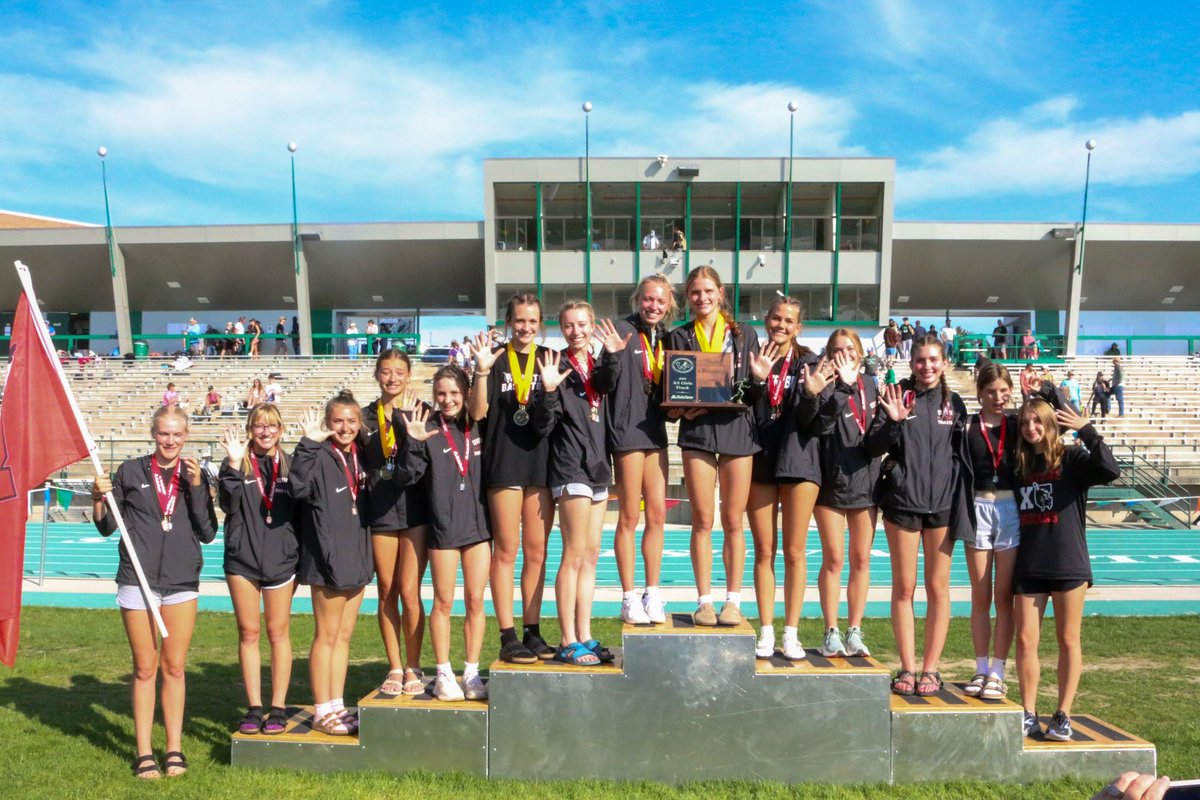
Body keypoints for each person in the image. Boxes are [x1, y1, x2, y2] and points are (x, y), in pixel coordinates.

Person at [91, 405, 217, 779]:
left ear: (187, 435)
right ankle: (144, 751)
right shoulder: (130, 471)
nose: (171, 441)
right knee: (145, 667)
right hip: (138, 580)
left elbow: (208, 532)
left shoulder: (193, 474)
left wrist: (197, 489)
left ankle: (174, 749)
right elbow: (105, 526)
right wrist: (99, 496)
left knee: (174, 667)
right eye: (164, 433)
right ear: (153, 434)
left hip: (181, 581)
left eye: (177, 434)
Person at [1013, 400, 1119, 741]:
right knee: (1027, 640)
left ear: (1051, 423)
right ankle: (1028, 713)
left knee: (1068, 638)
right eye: (1026, 422)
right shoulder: (1020, 465)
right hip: (1029, 563)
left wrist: (1086, 429)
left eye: (1038, 421)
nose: (1032, 428)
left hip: (1068, 563)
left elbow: (1110, 469)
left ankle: (1063, 714)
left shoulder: (1072, 459)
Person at [872, 335, 967, 697]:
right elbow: (874, 444)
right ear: (910, 363)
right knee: (904, 587)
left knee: (938, 589)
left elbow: (961, 455)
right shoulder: (897, 396)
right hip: (903, 503)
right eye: (920, 360)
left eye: (933, 360)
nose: (926, 366)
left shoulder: (953, 403)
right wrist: (894, 421)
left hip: (941, 506)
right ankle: (908, 667)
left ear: (943, 363)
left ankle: (931, 668)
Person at [667, 266, 760, 626]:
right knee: (702, 520)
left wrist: (759, 380)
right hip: (698, 432)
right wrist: (678, 407)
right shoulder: (679, 337)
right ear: (687, 297)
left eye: (708, 291)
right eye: (695, 292)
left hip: (737, 431)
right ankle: (704, 601)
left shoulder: (744, 334)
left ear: (721, 292)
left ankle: (733, 601)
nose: (702, 298)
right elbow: (673, 394)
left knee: (733, 520)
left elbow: (754, 389)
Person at [535, 305, 626, 665]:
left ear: (592, 327)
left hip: (599, 465)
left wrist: (614, 356)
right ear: (561, 329)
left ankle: (585, 634)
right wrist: (549, 391)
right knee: (573, 555)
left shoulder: (598, 365)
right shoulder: (556, 365)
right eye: (569, 326)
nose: (576, 331)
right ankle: (567, 638)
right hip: (570, 466)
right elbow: (543, 425)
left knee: (590, 556)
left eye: (583, 325)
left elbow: (607, 383)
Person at [467, 293, 555, 663]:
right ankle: (507, 634)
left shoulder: (550, 359)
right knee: (507, 550)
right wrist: (482, 371)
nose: (526, 327)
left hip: (540, 464)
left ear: (540, 324)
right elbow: (477, 412)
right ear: (509, 322)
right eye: (520, 320)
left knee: (537, 552)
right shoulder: (496, 359)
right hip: (503, 462)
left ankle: (532, 631)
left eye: (532, 321)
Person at [402, 366, 490, 700]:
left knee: (475, 600)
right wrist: (413, 443)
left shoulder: (478, 424)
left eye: (454, 393)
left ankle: (471, 671)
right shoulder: (426, 428)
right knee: (443, 601)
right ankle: (442, 673)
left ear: (466, 393)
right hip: (443, 528)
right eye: (441, 393)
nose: (447, 400)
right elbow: (408, 477)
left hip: (478, 528)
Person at [291, 394, 373, 735]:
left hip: (355, 552)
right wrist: (307, 444)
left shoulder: (360, 455)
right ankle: (322, 708)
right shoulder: (320, 454)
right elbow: (297, 487)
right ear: (328, 423)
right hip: (326, 556)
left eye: (351, 420)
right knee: (326, 635)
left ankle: (337, 704)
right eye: (338, 421)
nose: (345, 427)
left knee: (343, 636)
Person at [748, 295, 823, 658]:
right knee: (764, 550)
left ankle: (790, 632)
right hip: (760, 459)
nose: (780, 325)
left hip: (799, 462)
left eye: (788, 321)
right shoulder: (752, 356)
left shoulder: (810, 363)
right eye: (776, 318)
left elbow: (815, 420)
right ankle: (765, 630)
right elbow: (745, 407)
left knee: (794, 552)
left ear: (798, 327)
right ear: (766, 319)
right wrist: (758, 381)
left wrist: (810, 394)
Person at [218, 405, 298, 737]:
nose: (266, 432)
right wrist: (235, 466)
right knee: (249, 633)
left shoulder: (292, 463)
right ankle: (254, 706)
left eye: (272, 426)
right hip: (243, 561)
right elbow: (227, 503)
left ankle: (278, 707)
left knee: (278, 634)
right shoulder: (235, 461)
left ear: (281, 429)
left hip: (281, 560)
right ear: (250, 429)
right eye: (259, 426)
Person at [606, 274, 675, 624]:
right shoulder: (621, 330)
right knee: (630, 516)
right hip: (627, 432)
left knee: (658, 515)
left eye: (661, 301)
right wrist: (612, 356)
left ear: (668, 305)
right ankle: (629, 596)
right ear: (638, 299)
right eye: (649, 299)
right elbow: (607, 379)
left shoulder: (668, 337)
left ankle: (653, 591)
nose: (654, 306)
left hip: (656, 433)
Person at [362, 349, 429, 697]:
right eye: (386, 372)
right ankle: (394, 665)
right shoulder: (362, 418)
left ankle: (414, 664)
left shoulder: (422, 412)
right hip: (382, 512)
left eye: (399, 372)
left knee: (410, 591)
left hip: (416, 512)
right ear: (377, 375)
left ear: (409, 375)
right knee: (386, 590)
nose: (392, 378)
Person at [952, 362, 1021, 701]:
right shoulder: (966, 426)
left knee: (1003, 597)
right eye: (991, 391)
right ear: (979, 393)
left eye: (1004, 391)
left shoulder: (1020, 425)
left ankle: (999, 670)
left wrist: (1043, 391)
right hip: (976, 508)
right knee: (980, 596)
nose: (998, 397)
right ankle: (980, 668)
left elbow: (1056, 425)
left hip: (1010, 511)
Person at [810, 330, 880, 658]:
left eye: (849, 349)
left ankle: (854, 629)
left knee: (862, 559)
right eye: (836, 350)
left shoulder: (873, 385)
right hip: (830, 481)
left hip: (866, 482)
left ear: (860, 353)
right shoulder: (823, 382)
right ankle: (830, 630)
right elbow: (821, 425)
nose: (844, 355)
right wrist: (842, 386)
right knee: (835, 558)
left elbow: (878, 432)